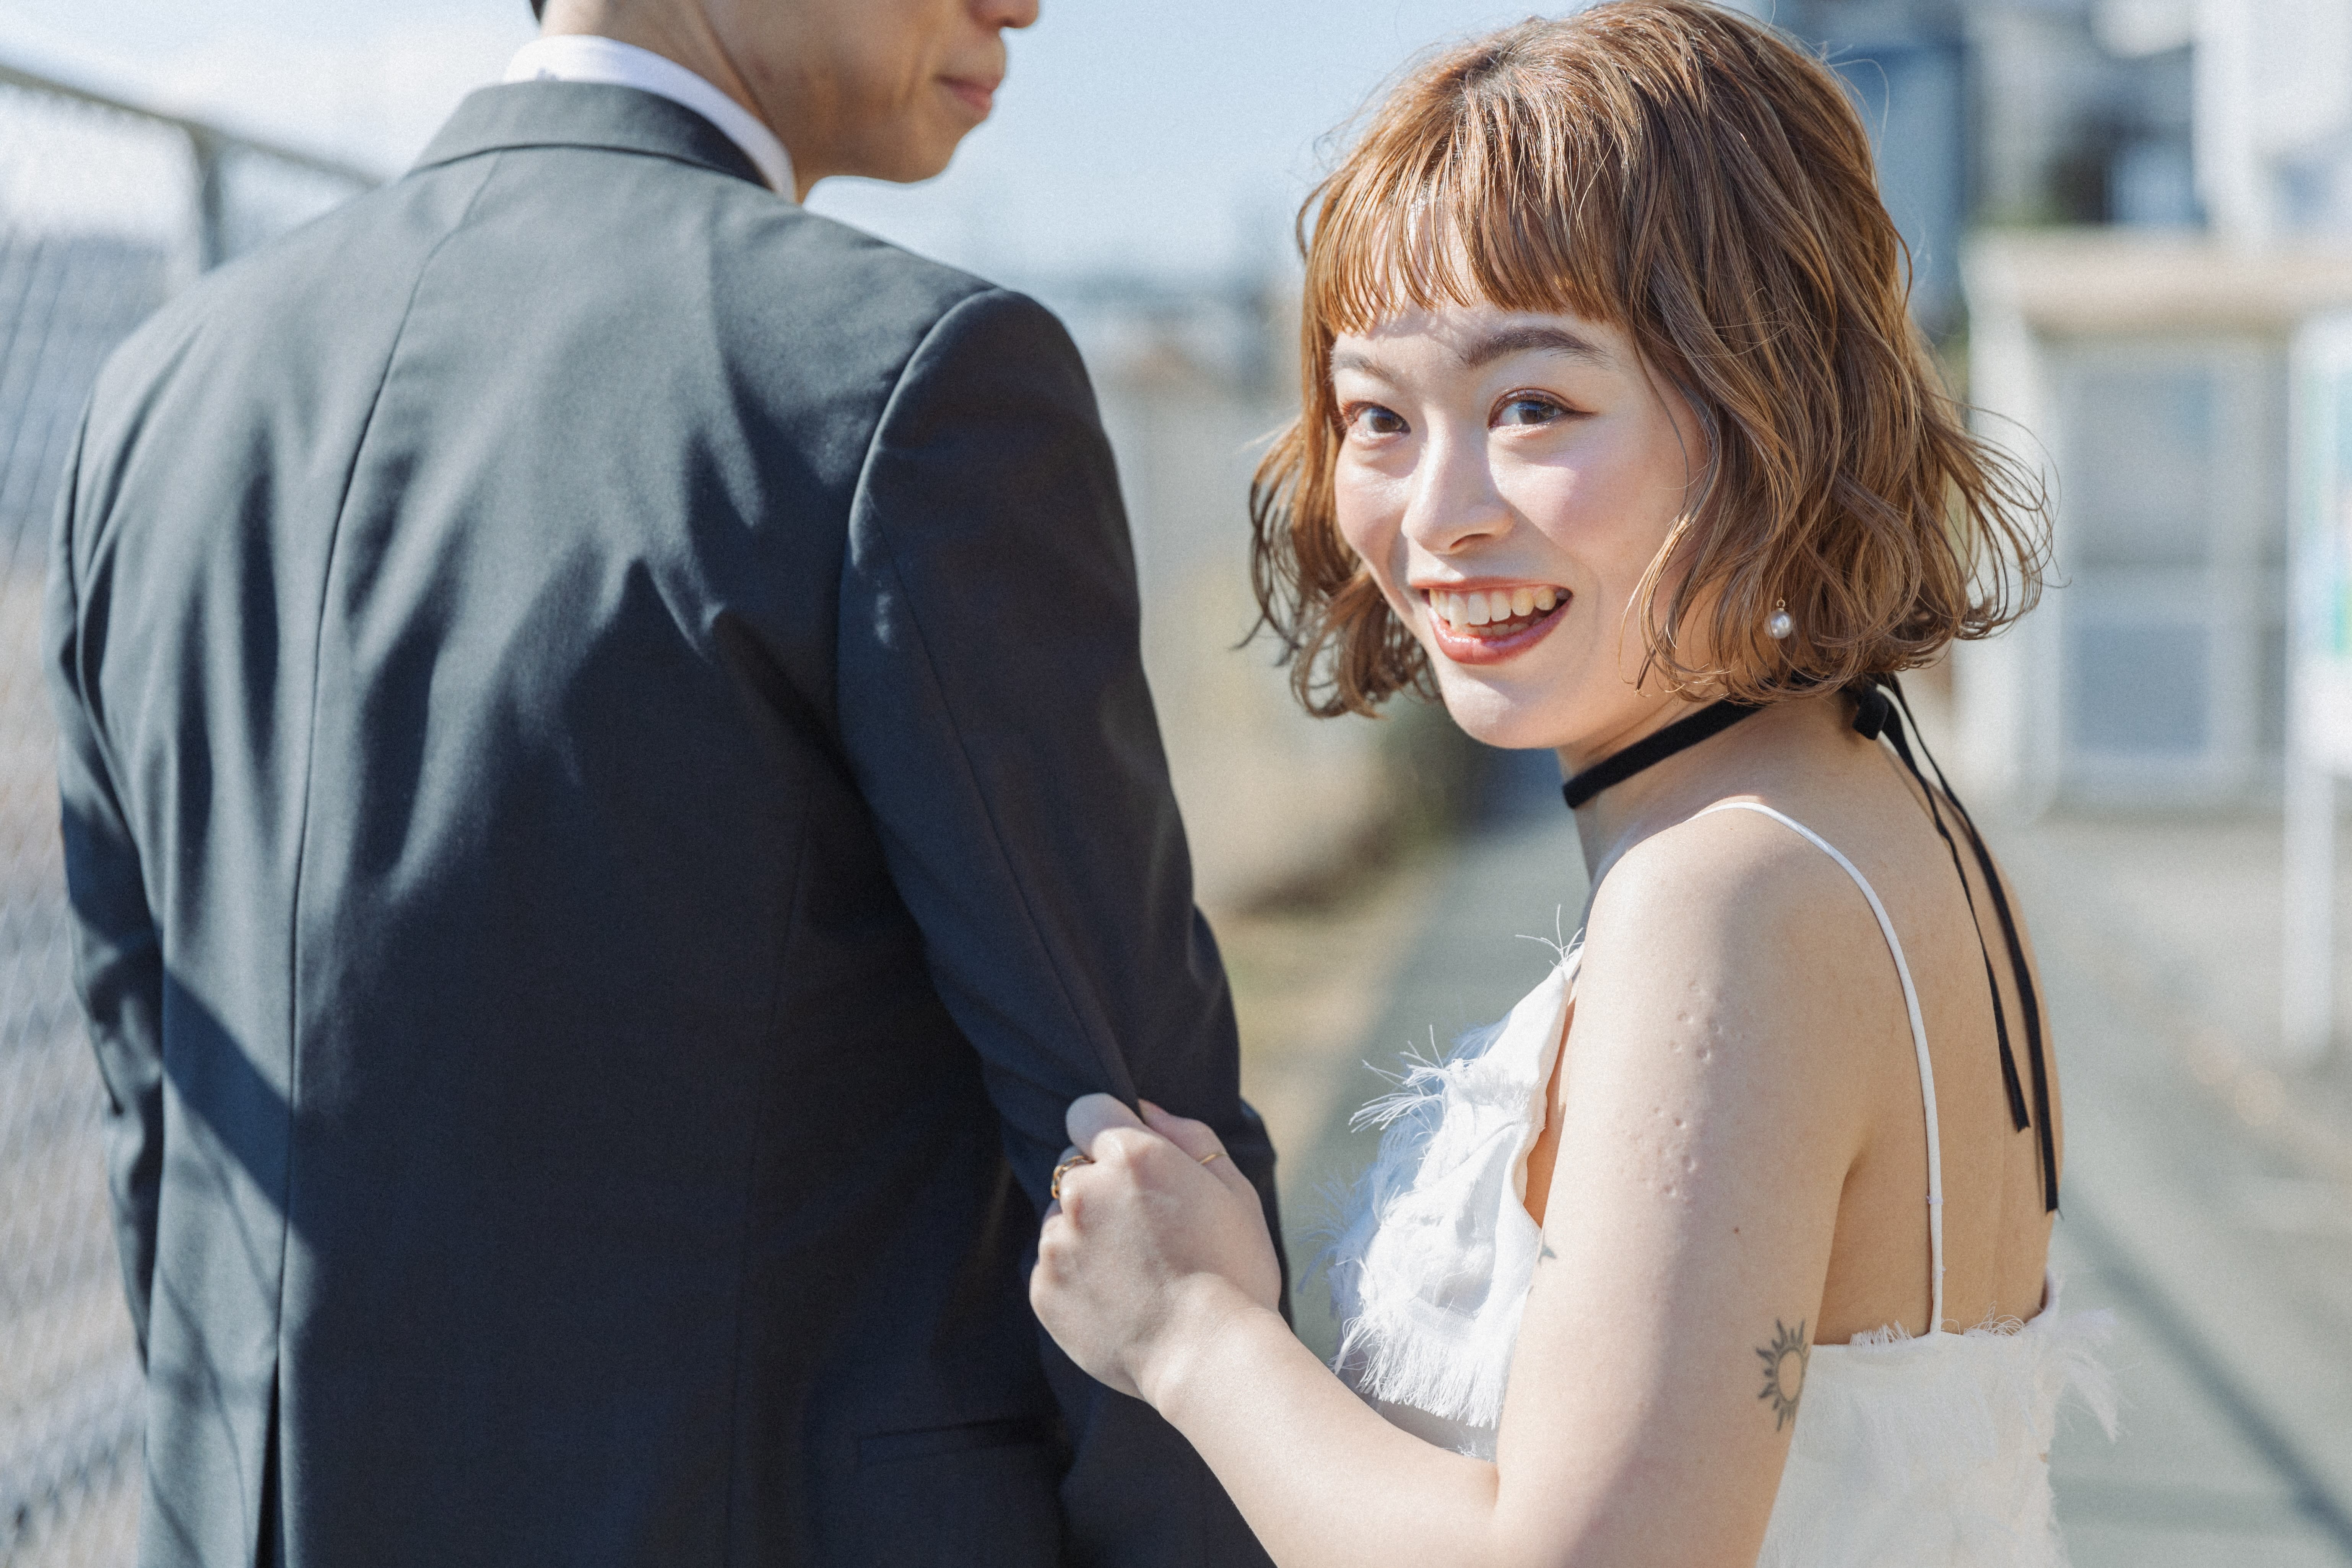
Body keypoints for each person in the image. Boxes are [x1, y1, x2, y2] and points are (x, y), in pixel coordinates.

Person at [46, 0, 1281, 1563]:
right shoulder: (905, 381)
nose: (1023, 4)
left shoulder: (157, 391)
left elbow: (162, 1116)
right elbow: (1135, 1156)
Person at [1031, 4, 2114, 1565]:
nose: (1436, 513)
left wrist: (1190, 1335)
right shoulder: (1885, 815)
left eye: (1532, 404)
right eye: (1377, 417)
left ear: (1766, 411)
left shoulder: (1728, 893)